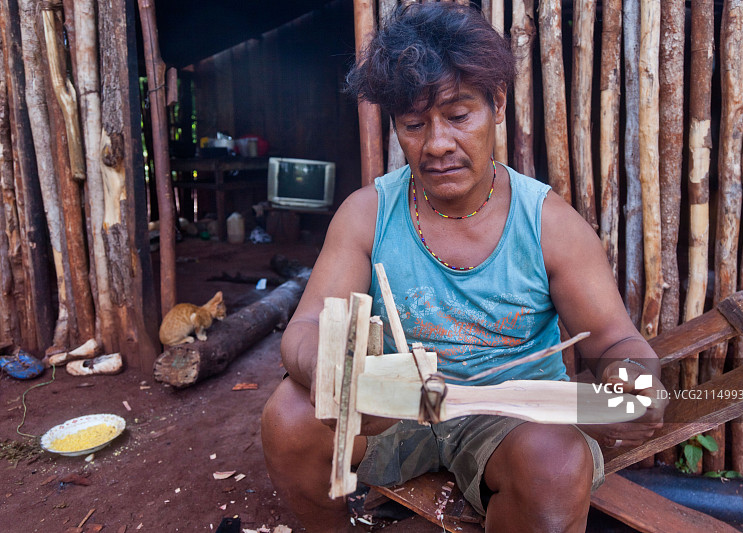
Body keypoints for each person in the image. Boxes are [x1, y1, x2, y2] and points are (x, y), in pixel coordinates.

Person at [261, 3, 666, 532]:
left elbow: (614, 340)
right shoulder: (368, 215)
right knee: (288, 419)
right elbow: (308, 326)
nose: (436, 144)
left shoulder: (549, 224)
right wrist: (334, 374)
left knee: (559, 463)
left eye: (458, 116)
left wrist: (631, 384)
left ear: (496, 105)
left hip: (511, 420)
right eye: (413, 124)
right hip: (394, 412)